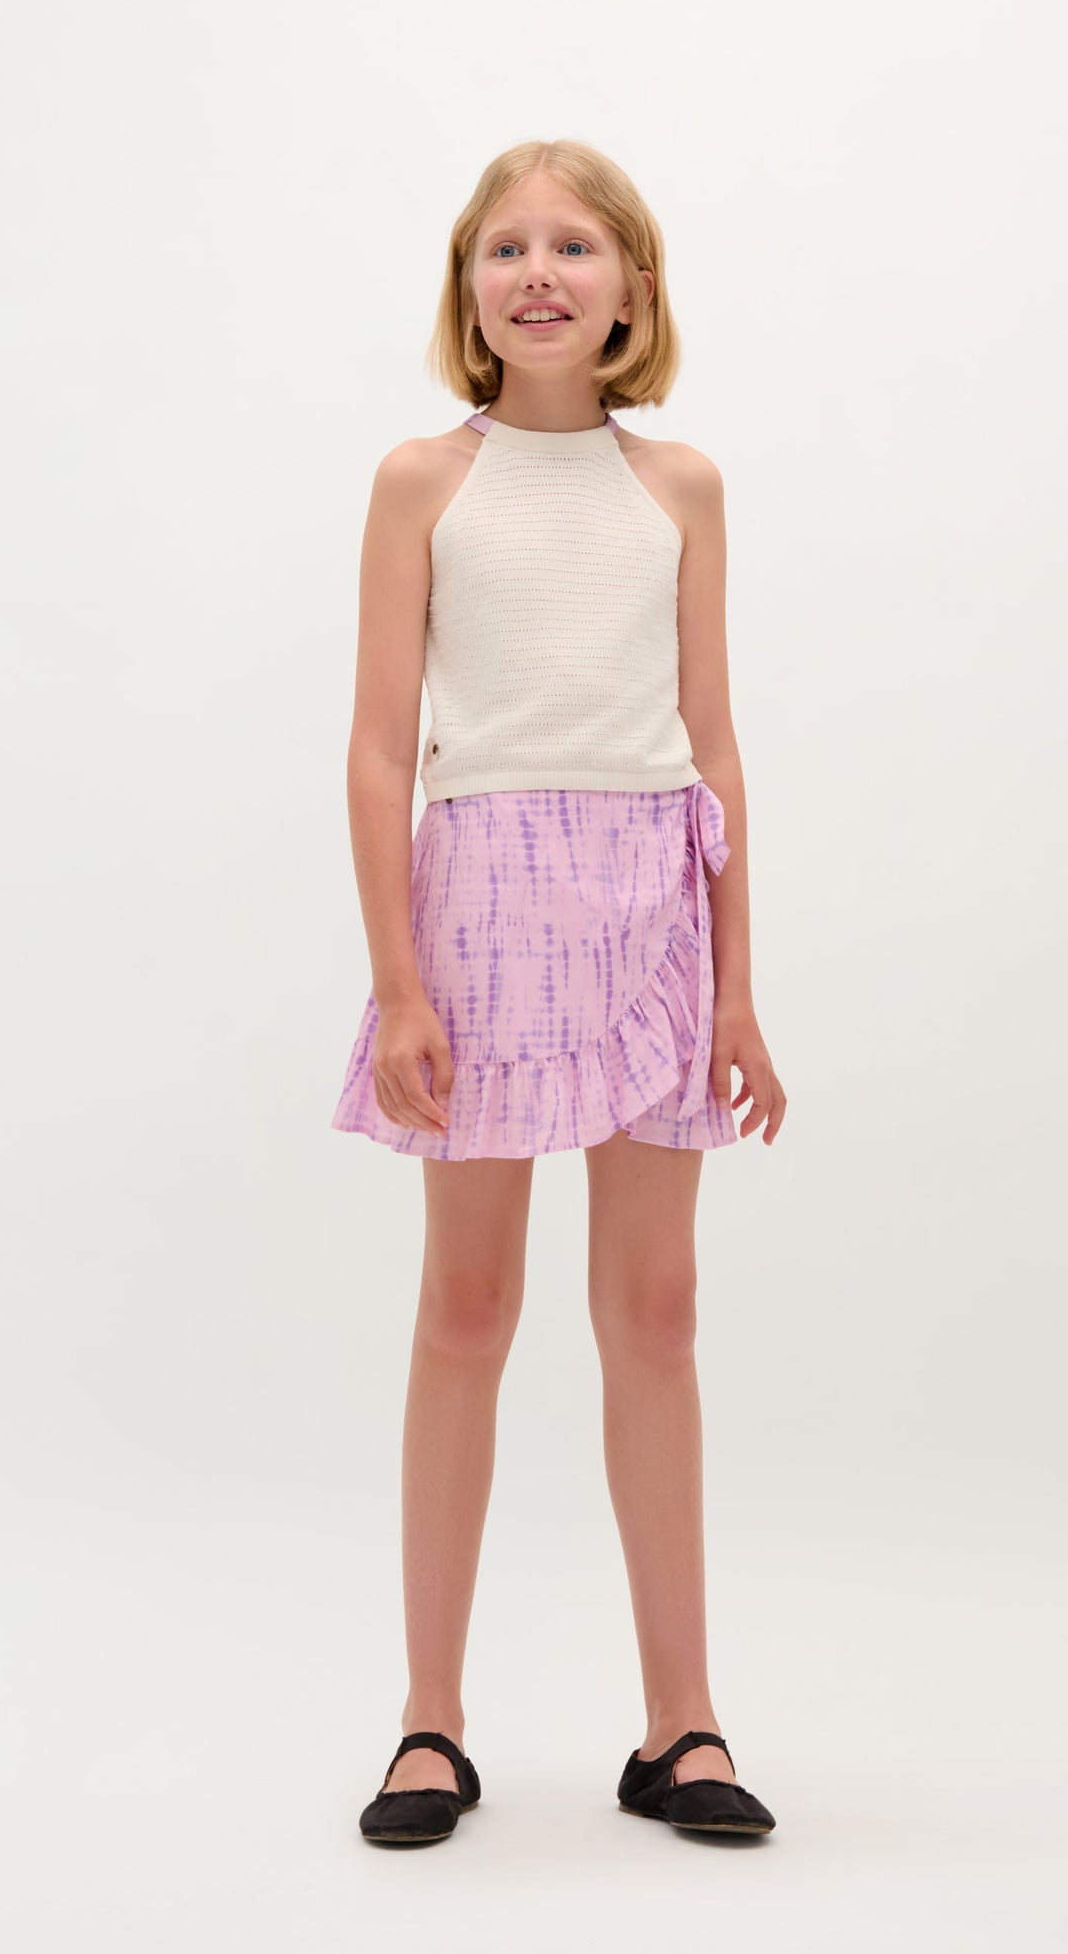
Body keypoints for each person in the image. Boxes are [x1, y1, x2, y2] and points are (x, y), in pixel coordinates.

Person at [332, 139, 786, 1844]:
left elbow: (713, 743)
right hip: (481, 906)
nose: (539, 273)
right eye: (505, 248)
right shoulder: (419, 483)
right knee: (466, 1306)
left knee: (655, 1311)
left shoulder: (680, 489)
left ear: (630, 291)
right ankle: (428, 1723)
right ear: (468, 289)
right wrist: (397, 982)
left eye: (573, 247)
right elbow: (380, 749)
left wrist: (736, 987)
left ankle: (683, 1725)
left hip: (650, 901)